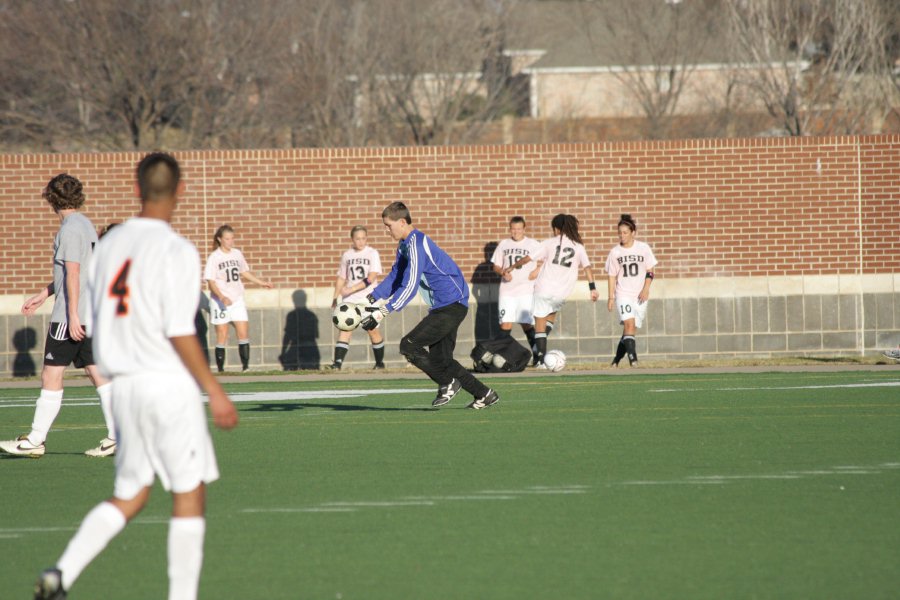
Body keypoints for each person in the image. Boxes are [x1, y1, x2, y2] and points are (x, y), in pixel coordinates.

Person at [33, 152, 239, 600]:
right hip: (166, 385)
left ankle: (62, 572)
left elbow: (94, 306)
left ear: (136, 189)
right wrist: (214, 389)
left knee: (131, 495)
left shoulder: (107, 249)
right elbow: (180, 330)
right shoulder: (176, 249)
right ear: (180, 191)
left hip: (124, 387)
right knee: (188, 492)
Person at [0, 174, 117, 459]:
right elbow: (77, 272)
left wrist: (73, 315)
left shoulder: (69, 230)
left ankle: (36, 439)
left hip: (70, 316)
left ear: (51, 199)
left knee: (51, 374)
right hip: (90, 313)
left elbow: (74, 273)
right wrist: (45, 293)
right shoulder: (86, 225)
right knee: (96, 372)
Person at [361, 202, 498, 409]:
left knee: (409, 345)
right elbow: (396, 276)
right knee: (441, 360)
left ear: (402, 222)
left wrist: (382, 312)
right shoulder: (405, 245)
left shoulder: (416, 244)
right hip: (447, 305)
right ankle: (484, 394)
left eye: (388, 225)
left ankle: (448, 383)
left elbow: (410, 285)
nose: (385, 230)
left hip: (451, 304)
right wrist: (370, 299)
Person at [502, 214, 599, 367]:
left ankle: (540, 359)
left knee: (539, 325)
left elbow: (528, 258)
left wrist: (512, 266)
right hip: (562, 292)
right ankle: (538, 347)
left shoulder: (550, 243)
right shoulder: (578, 246)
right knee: (550, 318)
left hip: (544, 288)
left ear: (556, 228)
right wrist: (592, 288)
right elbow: (587, 267)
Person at [203, 224, 271, 372]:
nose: (230, 241)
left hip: (237, 298)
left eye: (232, 238)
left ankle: (245, 368)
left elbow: (244, 272)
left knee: (243, 332)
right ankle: (221, 370)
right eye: (227, 239)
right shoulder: (214, 257)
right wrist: (221, 296)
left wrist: (261, 282)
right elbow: (210, 281)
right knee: (222, 334)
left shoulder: (237, 254)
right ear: (220, 239)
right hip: (220, 301)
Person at [330, 225, 385, 370]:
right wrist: (335, 297)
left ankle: (380, 364)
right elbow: (342, 277)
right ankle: (337, 364)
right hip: (350, 299)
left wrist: (352, 288)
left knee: (372, 330)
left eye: (363, 238)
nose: (360, 242)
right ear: (352, 239)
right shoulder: (347, 255)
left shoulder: (372, 253)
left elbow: (372, 276)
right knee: (345, 328)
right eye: (357, 239)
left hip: (369, 298)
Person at [606, 213, 657, 367]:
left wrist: (646, 289)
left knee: (630, 330)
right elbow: (612, 276)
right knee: (629, 324)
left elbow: (650, 270)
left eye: (625, 232)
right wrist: (611, 297)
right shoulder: (615, 252)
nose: (622, 236)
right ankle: (633, 360)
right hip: (623, 294)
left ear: (633, 233)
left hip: (640, 294)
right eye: (620, 233)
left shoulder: (643, 248)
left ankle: (616, 360)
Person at [491, 216, 542, 360]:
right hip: (507, 291)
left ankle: (538, 356)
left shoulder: (533, 244)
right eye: (513, 229)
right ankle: (502, 358)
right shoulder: (504, 244)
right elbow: (496, 265)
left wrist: (536, 272)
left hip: (526, 290)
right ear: (510, 229)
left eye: (519, 229)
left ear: (524, 229)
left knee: (526, 323)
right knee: (505, 323)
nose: (516, 232)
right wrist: (503, 272)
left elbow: (545, 261)